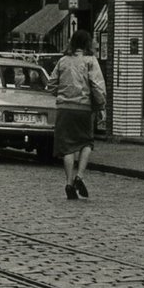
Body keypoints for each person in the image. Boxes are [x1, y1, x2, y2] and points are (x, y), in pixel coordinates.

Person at [46, 28, 107, 201]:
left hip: (65, 108)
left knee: (67, 146)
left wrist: (61, 94)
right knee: (86, 141)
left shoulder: (63, 61)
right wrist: (101, 105)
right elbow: (97, 85)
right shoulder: (90, 61)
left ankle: (68, 182)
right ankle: (80, 176)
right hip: (83, 108)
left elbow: (51, 84)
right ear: (87, 43)